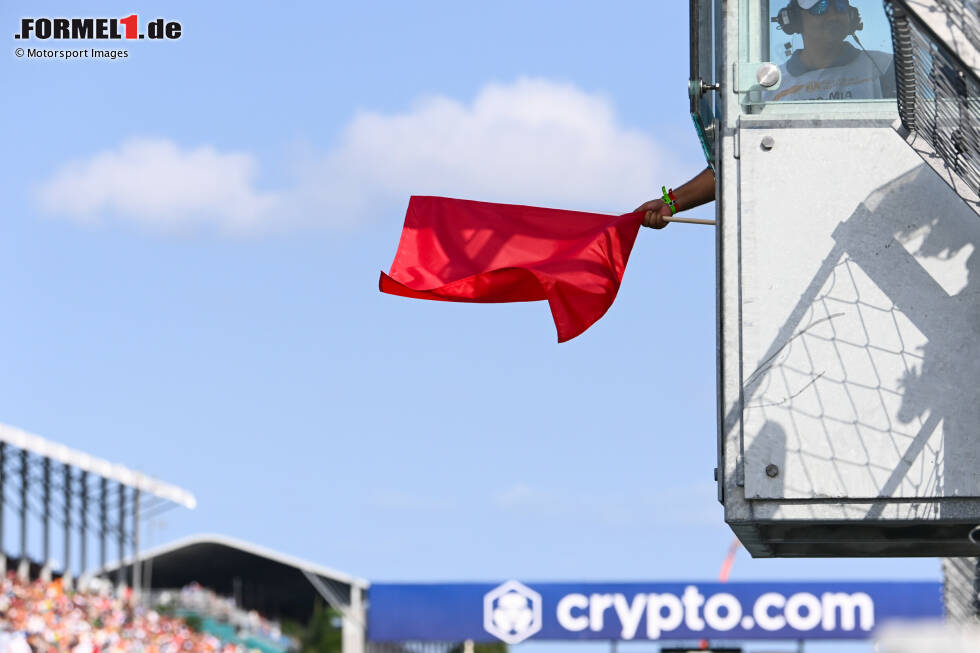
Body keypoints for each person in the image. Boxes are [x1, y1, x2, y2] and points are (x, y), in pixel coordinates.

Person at [635, 0, 895, 229]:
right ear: (793, 19)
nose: (832, 14)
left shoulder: (885, 70)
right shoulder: (769, 90)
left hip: (881, 218)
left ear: (851, 15)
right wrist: (671, 202)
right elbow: (737, 159)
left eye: (839, 5)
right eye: (820, 6)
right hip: (802, 227)